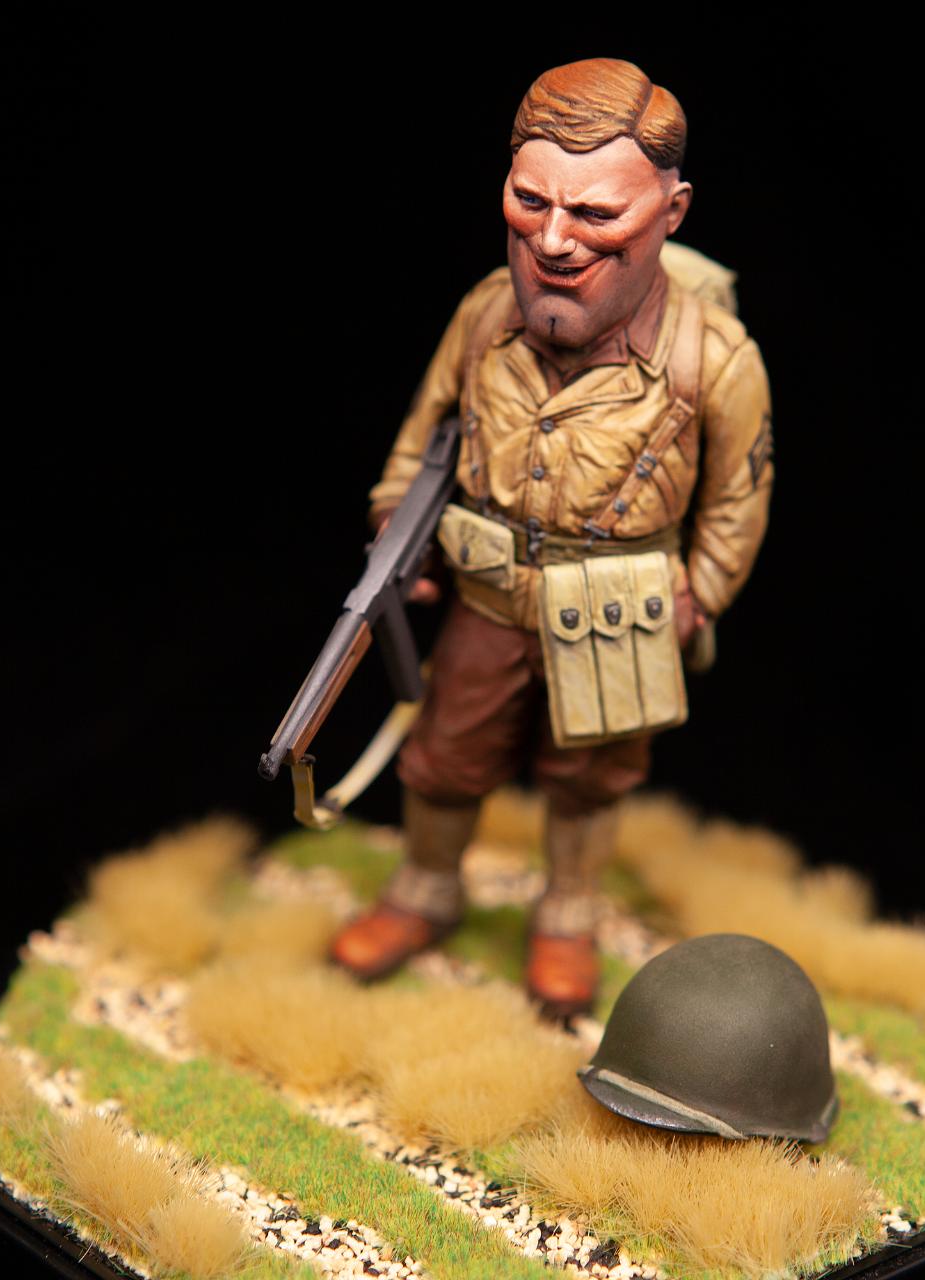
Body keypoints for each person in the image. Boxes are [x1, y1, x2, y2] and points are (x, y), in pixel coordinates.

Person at [330, 57, 774, 1017]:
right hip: (489, 597)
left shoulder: (715, 359)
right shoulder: (485, 313)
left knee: (590, 780)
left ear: (672, 212)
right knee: (444, 755)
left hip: (619, 610)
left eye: (597, 214)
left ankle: (567, 915)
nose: (555, 240)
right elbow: (420, 434)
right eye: (530, 201)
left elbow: (739, 499)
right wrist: (394, 526)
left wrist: (699, 595)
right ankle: (424, 890)